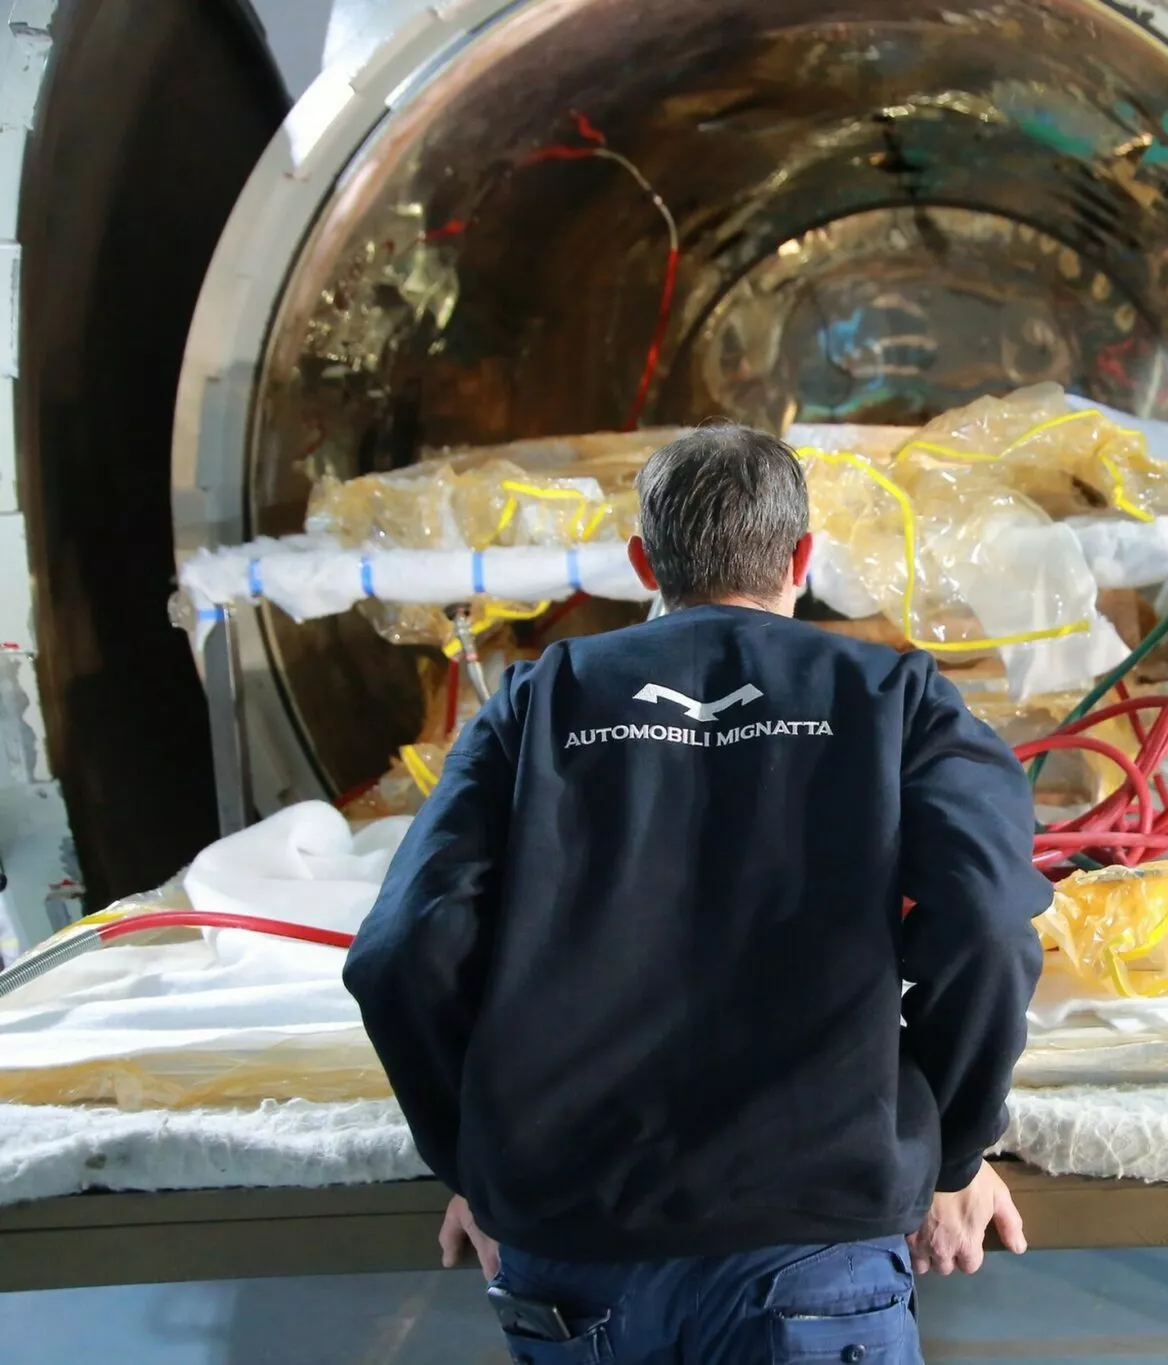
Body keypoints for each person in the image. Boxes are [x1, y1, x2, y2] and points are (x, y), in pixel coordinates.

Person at [344, 424, 1048, 1365]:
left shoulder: (541, 699)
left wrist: (477, 1163)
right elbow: (988, 921)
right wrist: (954, 1151)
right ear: (802, 559)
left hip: (573, 1236)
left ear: (643, 563)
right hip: (815, 1234)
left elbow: (400, 952)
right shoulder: (894, 694)